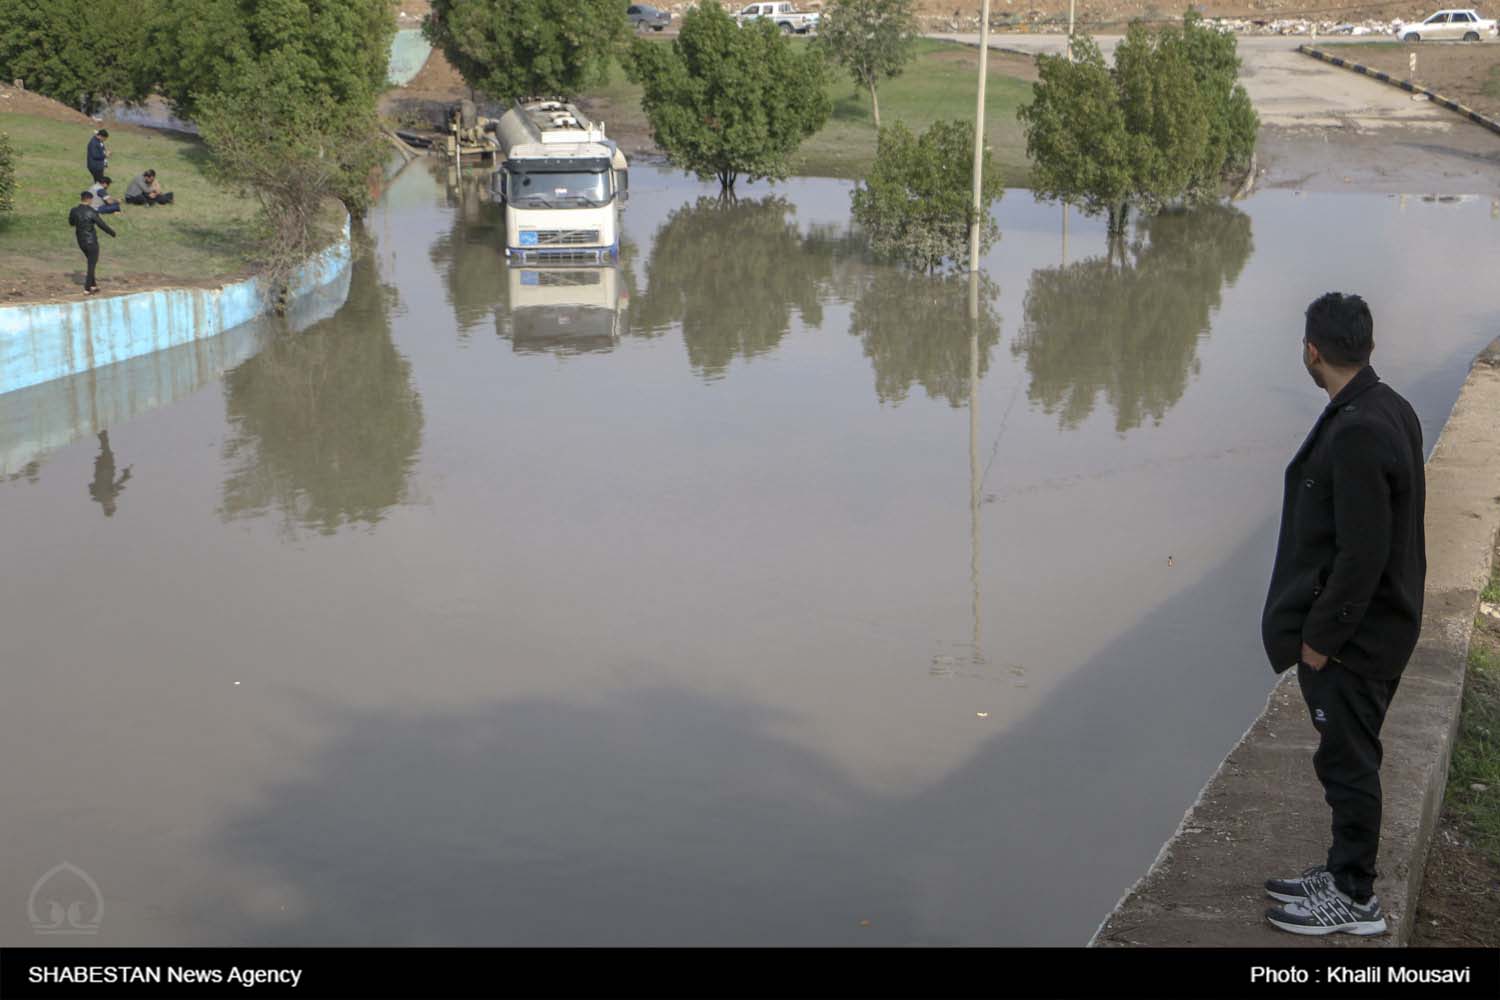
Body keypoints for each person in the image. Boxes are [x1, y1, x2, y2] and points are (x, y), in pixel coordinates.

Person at [1260, 292, 1426, 937]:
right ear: (1369, 346)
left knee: (1347, 763)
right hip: (1378, 624)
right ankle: (1341, 869)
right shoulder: (1389, 406)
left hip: (1356, 638)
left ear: (1311, 351)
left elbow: (1363, 553)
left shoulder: (1358, 428)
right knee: (1346, 756)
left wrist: (1321, 641)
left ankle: (1356, 898)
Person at [68, 190, 117, 294]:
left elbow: (71, 223)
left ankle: (93, 285)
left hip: (81, 242)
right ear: (89, 199)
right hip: (91, 241)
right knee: (91, 265)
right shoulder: (92, 211)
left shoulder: (74, 210)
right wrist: (112, 232)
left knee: (91, 262)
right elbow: (101, 224)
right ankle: (87, 288)